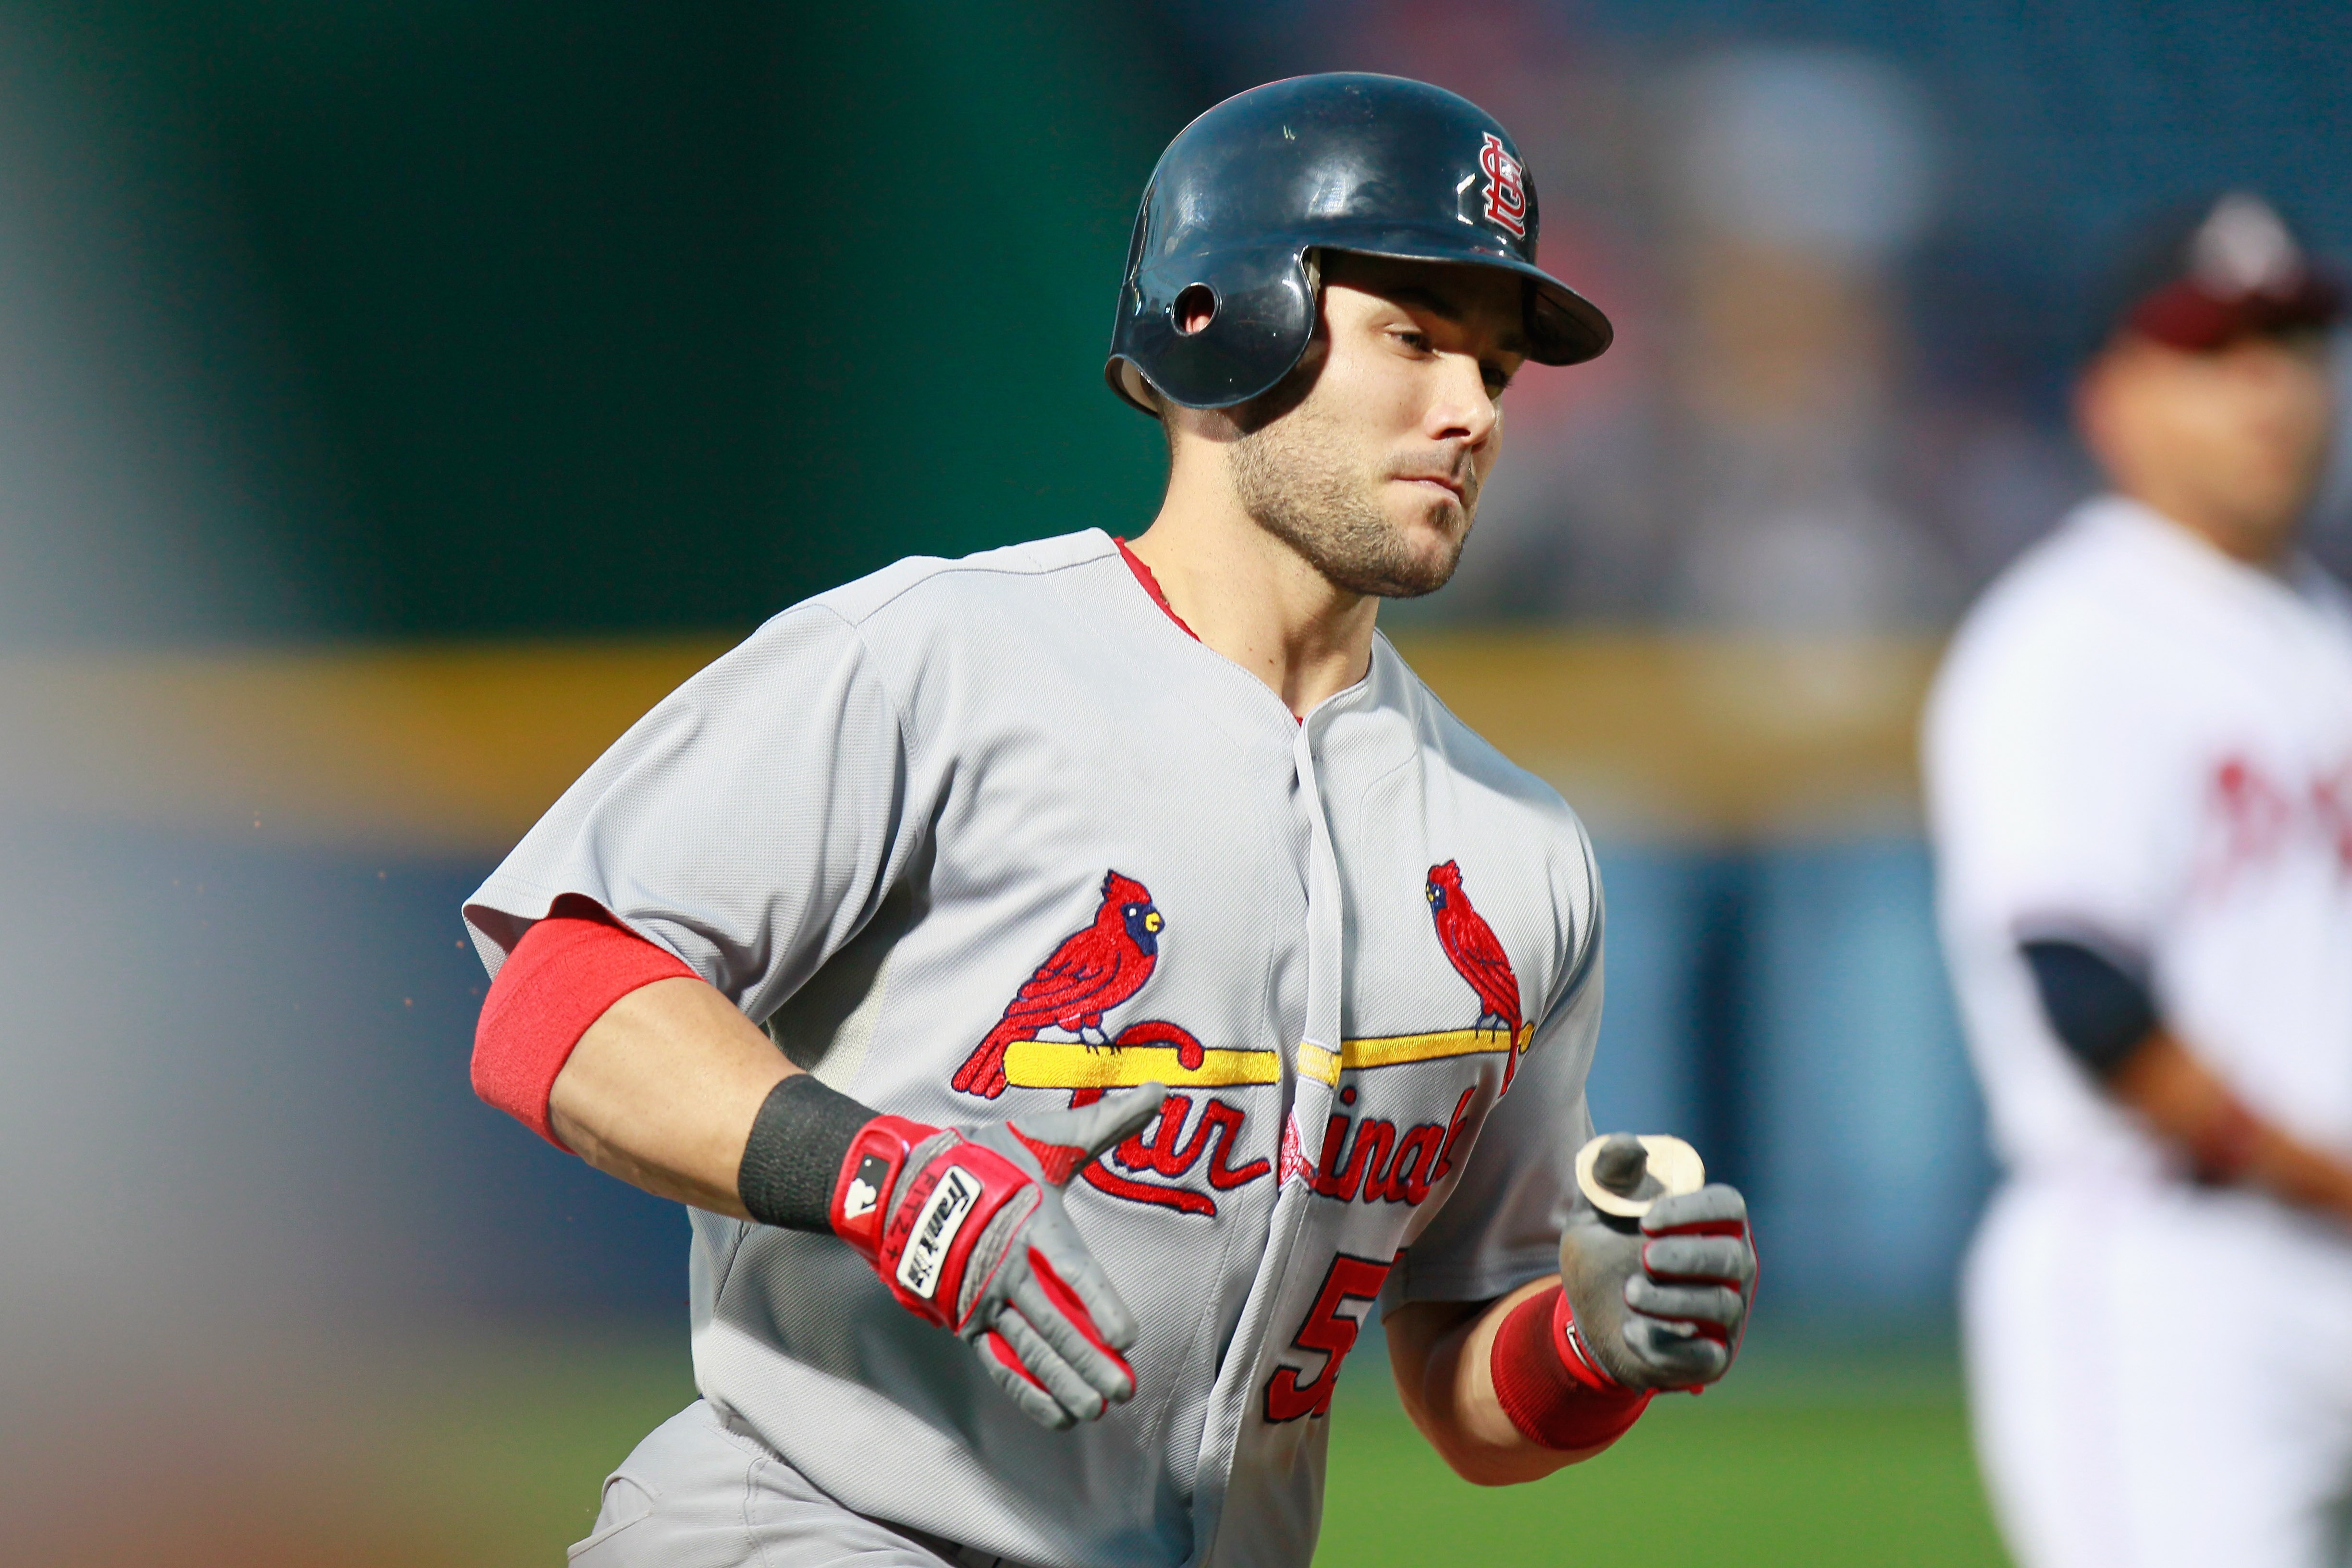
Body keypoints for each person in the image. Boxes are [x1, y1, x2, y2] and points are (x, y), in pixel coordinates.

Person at [463, 74, 1755, 1568]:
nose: (1470, 412)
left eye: (1498, 370)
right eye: (1413, 338)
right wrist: (878, 1176)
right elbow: (555, 1001)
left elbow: (1467, 1386)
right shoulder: (943, 658)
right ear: (1225, 317)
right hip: (814, 1527)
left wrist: (1593, 1342)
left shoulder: (1519, 852)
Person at [1925, 191, 2352, 1568]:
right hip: (2174, 1277)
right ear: (2110, 403)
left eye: (2291, 345)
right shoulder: (2068, 639)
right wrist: (2329, 1178)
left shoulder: (2324, 636)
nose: (2269, 390)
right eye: (2213, 352)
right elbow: (2086, 997)